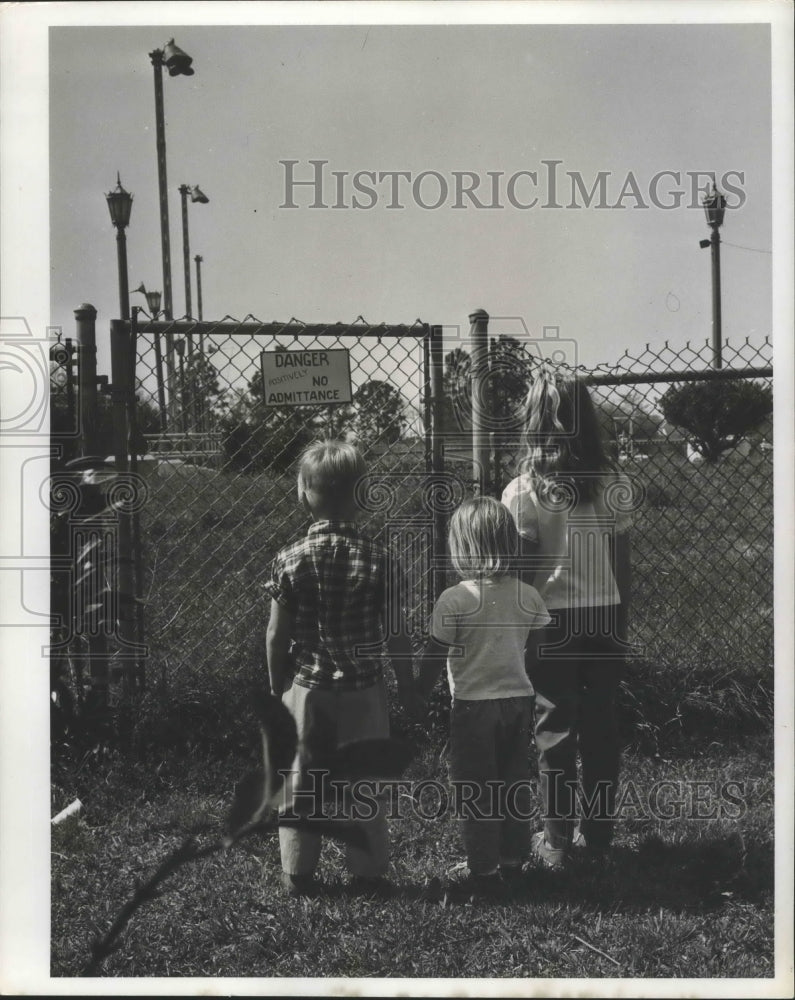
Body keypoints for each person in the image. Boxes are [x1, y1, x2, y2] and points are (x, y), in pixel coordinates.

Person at [264, 440, 415, 897]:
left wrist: (277, 686)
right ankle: (367, 871)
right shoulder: (381, 560)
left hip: (307, 691)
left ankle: (298, 871)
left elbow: (276, 635)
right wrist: (407, 687)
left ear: (304, 494)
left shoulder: (289, 559)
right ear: (362, 494)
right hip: (365, 690)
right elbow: (397, 634)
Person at [502, 372, 634, 868]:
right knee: (601, 725)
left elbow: (524, 569)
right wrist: (623, 619)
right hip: (605, 615)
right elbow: (622, 563)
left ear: (533, 421)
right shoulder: (613, 480)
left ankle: (556, 843)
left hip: (548, 621)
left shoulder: (521, 492)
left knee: (554, 728)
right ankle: (597, 839)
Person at [415, 496, 550, 898]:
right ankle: (513, 858)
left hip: (473, 705)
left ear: (461, 546)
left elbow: (434, 657)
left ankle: (483, 869)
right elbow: (537, 651)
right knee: (512, 781)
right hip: (519, 700)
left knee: (476, 787)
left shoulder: (454, 600)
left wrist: (418, 694)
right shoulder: (528, 595)